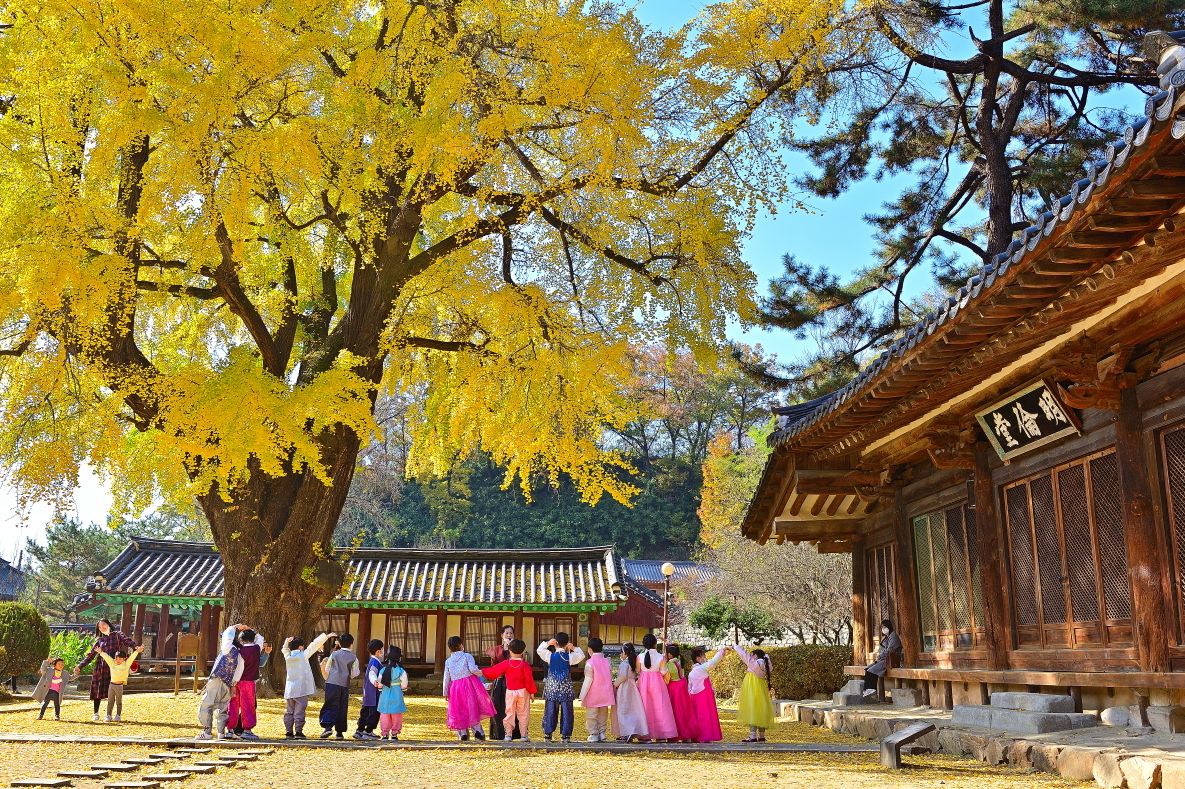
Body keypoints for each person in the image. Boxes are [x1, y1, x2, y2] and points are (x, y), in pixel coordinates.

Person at [73, 618, 138, 722]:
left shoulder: (117, 635)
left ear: (108, 624)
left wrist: (136, 647)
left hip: (114, 666)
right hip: (101, 666)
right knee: (97, 689)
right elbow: (90, 656)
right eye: (99, 627)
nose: (102, 628)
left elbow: (127, 641)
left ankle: (112, 714)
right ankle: (96, 713)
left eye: (103, 625)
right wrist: (79, 666)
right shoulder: (99, 641)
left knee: (113, 691)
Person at [196, 623, 250, 740]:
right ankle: (221, 731)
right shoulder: (239, 655)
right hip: (228, 682)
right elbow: (238, 672)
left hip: (216, 679)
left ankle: (207, 731)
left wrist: (234, 627)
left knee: (207, 704)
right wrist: (233, 685)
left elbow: (227, 636)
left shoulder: (227, 648)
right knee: (223, 706)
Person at [482, 638, 535, 742]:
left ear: (510, 651)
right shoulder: (525, 665)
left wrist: (481, 671)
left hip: (510, 691)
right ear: (523, 651)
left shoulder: (506, 663)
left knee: (509, 712)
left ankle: (508, 734)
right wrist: (532, 692)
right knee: (523, 712)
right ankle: (524, 735)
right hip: (523, 691)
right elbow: (529, 680)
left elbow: (494, 671)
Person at [443, 635, 495, 741]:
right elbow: (472, 669)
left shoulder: (448, 661)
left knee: (459, 710)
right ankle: (478, 732)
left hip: (455, 688)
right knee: (472, 708)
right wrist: (481, 673)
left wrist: (445, 692)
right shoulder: (467, 656)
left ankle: (463, 734)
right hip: (468, 685)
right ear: (460, 645)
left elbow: (446, 678)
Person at [537, 632, 585, 743]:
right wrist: (573, 647)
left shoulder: (550, 656)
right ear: (566, 643)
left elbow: (540, 650)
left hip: (552, 688)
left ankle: (548, 734)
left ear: (556, 643)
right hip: (566, 688)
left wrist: (548, 643)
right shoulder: (569, 657)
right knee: (567, 712)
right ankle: (566, 736)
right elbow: (581, 655)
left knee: (550, 711)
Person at [282, 632, 331, 739]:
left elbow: (284, 649)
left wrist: (287, 641)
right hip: (301, 688)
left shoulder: (288, 656)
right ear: (300, 647)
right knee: (299, 710)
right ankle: (298, 732)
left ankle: (288, 732)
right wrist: (325, 637)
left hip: (290, 689)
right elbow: (314, 645)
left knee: (289, 711)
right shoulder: (303, 655)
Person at [227, 627, 268, 740]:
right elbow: (260, 638)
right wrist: (252, 630)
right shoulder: (256, 648)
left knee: (232, 705)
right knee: (248, 706)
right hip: (248, 682)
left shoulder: (237, 651)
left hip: (235, 682)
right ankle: (247, 730)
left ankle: (230, 729)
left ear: (241, 641)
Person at [637, 634, 677, 742]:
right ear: (655, 644)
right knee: (660, 707)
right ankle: (661, 735)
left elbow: (637, 670)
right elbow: (664, 671)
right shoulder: (661, 657)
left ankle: (645, 735)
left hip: (643, 683)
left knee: (645, 708)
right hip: (658, 683)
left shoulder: (639, 657)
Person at [731, 644, 775, 742]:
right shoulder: (766, 664)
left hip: (751, 688)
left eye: (753, 655)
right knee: (761, 710)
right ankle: (762, 736)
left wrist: (735, 646)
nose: (751, 656)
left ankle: (753, 736)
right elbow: (770, 667)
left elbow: (744, 654)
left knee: (752, 710)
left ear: (755, 656)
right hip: (761, 688)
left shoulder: (753, 663)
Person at [319, 633, 359, 740]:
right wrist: (347, 674)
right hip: (344, 684)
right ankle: (340, 732)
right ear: (352, 645)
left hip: (332, 682)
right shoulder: (353, 657)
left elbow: (327, 669)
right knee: (342, 706)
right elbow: (355, 673)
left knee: (330, 703)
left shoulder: (334, 654)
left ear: (339, 644)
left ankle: (327, 726)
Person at [484, 625, 521, 740]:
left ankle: (513, 734)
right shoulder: (497, 649)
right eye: (506, 633)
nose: (509, 635)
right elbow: (494, 667)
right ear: (502, 635)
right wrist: (493, 657)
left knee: (512, 707)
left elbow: (518, 663)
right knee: (498, 706)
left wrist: (512, 649)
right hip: (499, 681)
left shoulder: (517, 648)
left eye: (511, 633)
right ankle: (497, 733)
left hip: (512, 681)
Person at [577, 637, 614, 742]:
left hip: (593, 693)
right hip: (606, 693)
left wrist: (582, 695)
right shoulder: (607, 661)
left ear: (590, 649)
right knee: (603, 713)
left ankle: (594, 733)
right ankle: (602, 732)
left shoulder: (590, 662)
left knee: (592, 715)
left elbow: (588, 680)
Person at [610, 642, 648, 743]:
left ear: (625, 654)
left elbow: (622, 676)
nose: (621, 655)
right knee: (631, 710)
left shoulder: (624, 664)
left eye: (621, 653)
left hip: (624, 688)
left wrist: (616, 684)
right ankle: (631, 731)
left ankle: (626, 733)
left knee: (622, 710)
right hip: (632, 688)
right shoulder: (632, 664)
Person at [687, 647, 725, 743]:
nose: (705, 658)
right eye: (703, 657)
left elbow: (690, 687)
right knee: (705, 715)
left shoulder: (692, 671)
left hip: (694, 695)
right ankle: (704, 736)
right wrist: (722, 650)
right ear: (698, 659)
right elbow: (713, 662)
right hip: (704, 695)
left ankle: (698, 736)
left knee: (698, 715)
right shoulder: (701, 669)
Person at [663, 643, 697, 743]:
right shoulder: (680, 660)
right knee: (684, 710)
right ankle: (687, 735)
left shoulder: (669, 665)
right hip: (682, 686)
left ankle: (675, 735)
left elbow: (666, 678)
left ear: (669, 654)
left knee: (675, 711)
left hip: (673, 687)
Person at [98, 646, 142, 722]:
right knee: (110, 701)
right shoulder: (112, 663)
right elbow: (107, 657)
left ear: (124, 659)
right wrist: (101, 652)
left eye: (120, 659)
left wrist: (137, 651)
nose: (118, 660)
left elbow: (132, 658)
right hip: (111, 685)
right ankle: (108, 715)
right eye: (117, 658)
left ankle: (118, 715)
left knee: (119, 702)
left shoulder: (126, 664)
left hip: (119, 686)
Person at [862, 619, 903, 698]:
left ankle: (872, 689)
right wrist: (879, 657)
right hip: (884, 659)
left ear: (889, 627)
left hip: (891, 660)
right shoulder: (886, 638)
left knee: (872, 670)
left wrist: (879, 657)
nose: (883, 629)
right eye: (882, 627)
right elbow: (882, 650)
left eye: (885, 627)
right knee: (867, 669)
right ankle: (866, 689)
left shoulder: (894, 637)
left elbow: (889, 650)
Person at [355, 638, 386, 740]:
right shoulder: (375, 663)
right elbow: (372, 674)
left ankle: (359, 730)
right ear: (378, 651)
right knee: (373, 712)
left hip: (368, 691)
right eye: (382, 649)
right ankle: (368, 731)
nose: (383, 651)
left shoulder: (372, 661)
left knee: (365, 710)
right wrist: (375, 681)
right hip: (373, 692)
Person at [378, 645, 409, 741]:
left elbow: (380, 684)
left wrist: (380, 688)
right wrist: (403, 689)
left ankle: (385, 733)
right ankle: (395, 733)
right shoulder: (401, 670)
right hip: (397, 694)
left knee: (385, 715)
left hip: (385, 695)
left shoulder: (383, 670)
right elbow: (404, 684)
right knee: (397, 715)